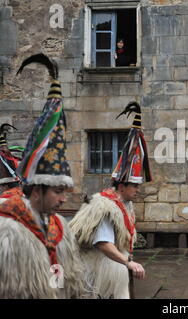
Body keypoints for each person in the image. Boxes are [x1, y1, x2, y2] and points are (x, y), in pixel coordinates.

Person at [0, 53, 87, 298]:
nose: (64, 199)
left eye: (65, 191)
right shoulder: (1, 231)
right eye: (58, 191)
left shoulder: (59, 228)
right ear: (38, 189)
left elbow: (65, 282)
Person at [69, 101, 152, 299]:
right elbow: (103, 243)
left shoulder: (124, 203)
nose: (138, 190)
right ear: (121, 187)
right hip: (98, 265)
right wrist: (127, 262)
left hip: (113, 263)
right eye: (135, 186)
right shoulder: (106, 207)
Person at [0, 124, 23, 210]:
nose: (0, 189)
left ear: (5, 186)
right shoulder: (26, 199)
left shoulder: (2, 201)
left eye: (1, 186)